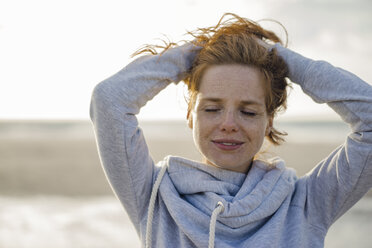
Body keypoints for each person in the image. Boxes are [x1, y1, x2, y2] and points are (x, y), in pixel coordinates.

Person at [90, 13, 372, 248]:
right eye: (212, 109)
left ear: (269, 121)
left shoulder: (307, 203)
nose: (228, 123)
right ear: (191, 114)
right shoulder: (152, 195)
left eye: (248, 112)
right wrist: (189, 56)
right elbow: (109, 100)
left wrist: (281, 59)